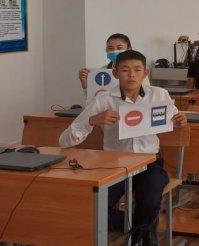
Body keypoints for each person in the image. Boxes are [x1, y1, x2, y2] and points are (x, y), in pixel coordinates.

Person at [60, 50, 188, 244]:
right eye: (125, 70)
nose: (131, 75)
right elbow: (64, 141)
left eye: (137, 70)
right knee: (94, 207)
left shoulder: (159, 95)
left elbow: (175, 119)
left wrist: (180, 120)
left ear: (145, 73)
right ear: (115, 73)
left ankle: (141, 236)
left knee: (149, 200)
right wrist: (93, 120)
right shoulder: (103, 100)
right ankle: (140, 227)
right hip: (114, 164)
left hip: (149, 162)